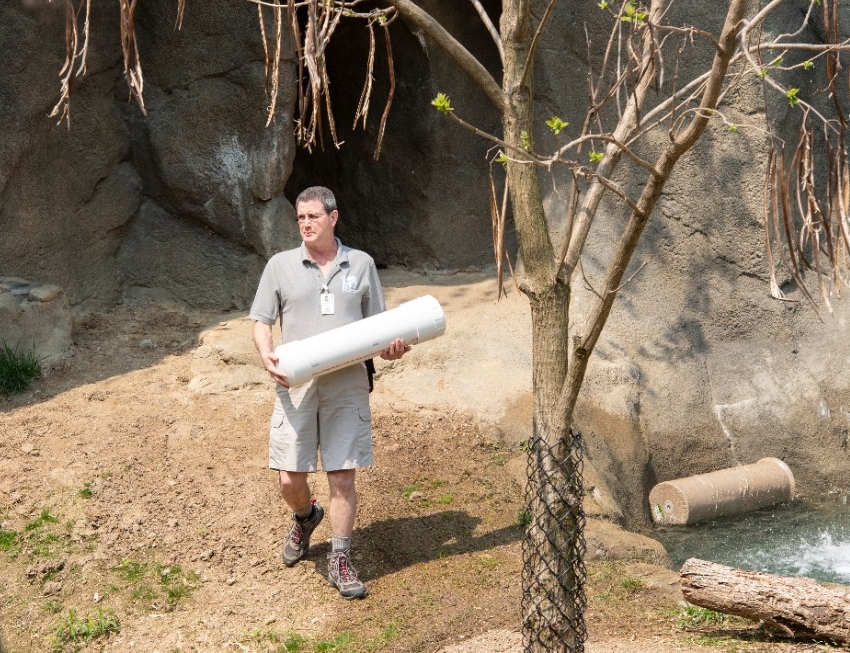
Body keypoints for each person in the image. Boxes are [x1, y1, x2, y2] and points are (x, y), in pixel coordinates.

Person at [250, 186, 409, 599]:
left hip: (347, 387)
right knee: (289, 478)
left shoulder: (361, 264)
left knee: (342, 475)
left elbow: (381, 329)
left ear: (333, 218)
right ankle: (305, 517)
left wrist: (392, 351)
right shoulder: (280, 266)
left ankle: (340, 557)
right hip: (297, 386)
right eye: (300, 218)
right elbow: (261, 320)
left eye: (313, 217)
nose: (305, 224)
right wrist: (267, 354)